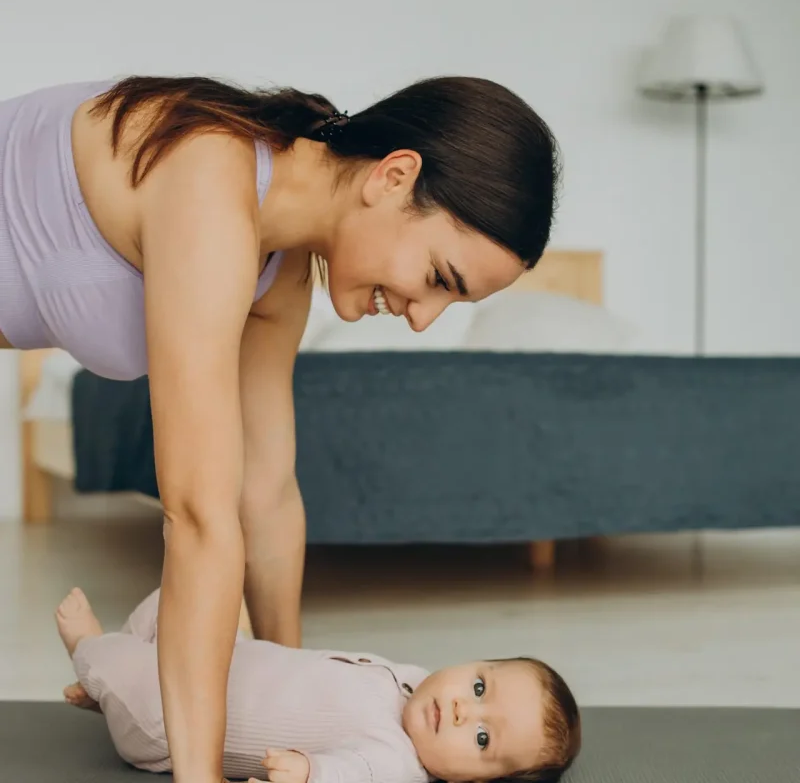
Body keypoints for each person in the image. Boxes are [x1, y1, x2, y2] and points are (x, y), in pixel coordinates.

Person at [0, 73, 560, 783]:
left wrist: (286, 687)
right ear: (394, 176)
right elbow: (199, 515)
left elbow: (264, 493)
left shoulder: (281, 260)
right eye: (440, 278)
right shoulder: (209, 186)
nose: (423, 318)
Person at [56, 587, 581, 783]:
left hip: (169, 725)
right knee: (194, 591)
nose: (466, 711)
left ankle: (90, 652)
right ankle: (112, 690)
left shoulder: (396, 762)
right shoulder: (418, 685)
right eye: (481, 687)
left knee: (125, 671)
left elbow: (350, 775)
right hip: (224, 659)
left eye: (484, 740)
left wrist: (308, 772)